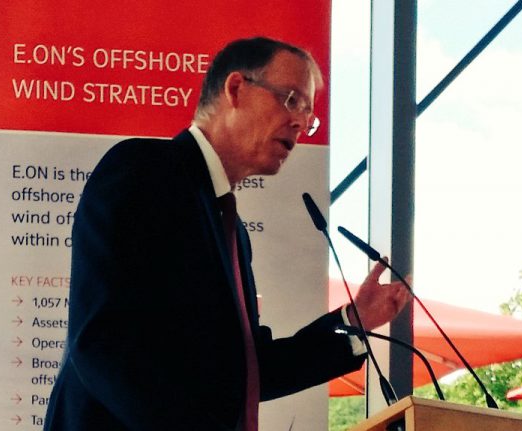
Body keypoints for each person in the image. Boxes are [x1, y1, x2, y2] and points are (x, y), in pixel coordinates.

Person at [43, 37, 411, 430]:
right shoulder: (142, 172)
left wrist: (354, 321)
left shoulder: (233, 233)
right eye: (292, 100)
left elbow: (247, 372)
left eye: (309, 115)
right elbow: (101, 341)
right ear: (235, 88)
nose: (301, 123)